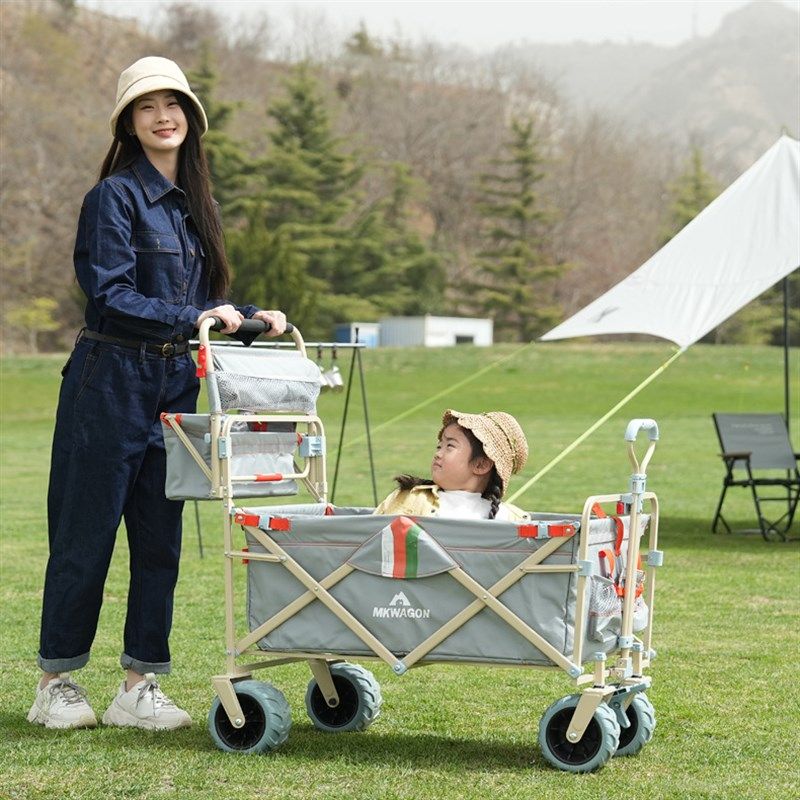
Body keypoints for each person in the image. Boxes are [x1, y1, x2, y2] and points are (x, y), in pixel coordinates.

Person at [28, 57, 286, 731]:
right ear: (129, 122)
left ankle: (139, 684)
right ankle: (56, 681)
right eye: (147, 106)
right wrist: (198, 319)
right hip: (108, 381)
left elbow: (201, 303)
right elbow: (110, 294)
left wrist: (252, 318)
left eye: (174, 104)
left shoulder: (199, 209)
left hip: (175, 386)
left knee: (159, 541)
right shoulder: (112, 198)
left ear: (191, 120)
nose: (163, 115)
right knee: (85, 536)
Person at [374, 409, 530, 521]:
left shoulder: (512, 519)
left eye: (450, 446)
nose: (438, 453)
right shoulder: (408, 499)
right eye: (439, 446)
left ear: (481, 465)